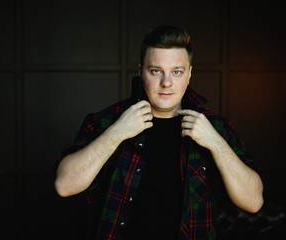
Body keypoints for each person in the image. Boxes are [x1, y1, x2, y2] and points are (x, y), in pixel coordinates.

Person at [54, 24, 264, 240]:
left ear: (189, 74)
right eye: (156, 71)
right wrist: (117, 133)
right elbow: (64, 185)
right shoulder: (107, 121)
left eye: (176, 72)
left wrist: (216, 143)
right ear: (140, 71)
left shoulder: (216, 128)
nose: (166, 83)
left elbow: (253, 201)